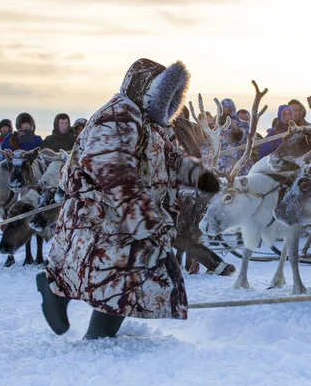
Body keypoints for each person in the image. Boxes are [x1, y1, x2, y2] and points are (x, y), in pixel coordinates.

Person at [35, 58, 219, 340]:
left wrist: (197, 176)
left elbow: (171, 160)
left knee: (119, 274)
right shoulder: (117, 116)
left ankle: (65, 303)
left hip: (127, 217)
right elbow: (113, 170)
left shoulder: (156, 125)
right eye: (163, 94)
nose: (167, 102)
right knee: (112, 272)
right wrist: (143, 218)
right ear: (146, 89)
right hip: (99, 215)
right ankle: (89, 329)